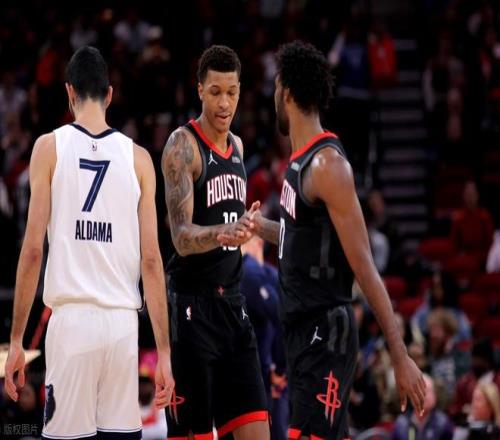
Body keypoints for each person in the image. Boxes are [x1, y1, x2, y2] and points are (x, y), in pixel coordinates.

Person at [221, 40, 426, 440]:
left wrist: (399, 355)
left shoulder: (328, 165)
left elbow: (364, 265)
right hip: (302, 333)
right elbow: (303, 239)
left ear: (287, 92)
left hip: (326, 332)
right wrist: (261, 227)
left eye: (276, 89)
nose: (273, 99)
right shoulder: (299, 162)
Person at [4, 46, 174, 439]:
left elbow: (33, 251)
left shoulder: (48, 148)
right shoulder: (139, 159)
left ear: (69, 92)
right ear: (109, 94)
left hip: (73, 324)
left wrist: (16, 340)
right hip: (122, 327)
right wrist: (164, 352)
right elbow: (152, 261)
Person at [161, 45, 269, 439]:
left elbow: (238, 223)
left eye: (232, 92)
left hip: (233, 307)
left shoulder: (237, 146)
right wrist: (223, 233)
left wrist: (257, 229)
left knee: (257, 430)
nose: (225, 103)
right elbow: (181, 237)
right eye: (215, 92)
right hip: (191, 310)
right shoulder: (182, 146)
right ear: (200, 91)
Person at [392, 374, 454, 440]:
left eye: (429, 391)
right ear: (410, 396)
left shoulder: (443, 423)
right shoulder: (401, 423)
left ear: (435, 395)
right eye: (419, 390)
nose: (424, 395)